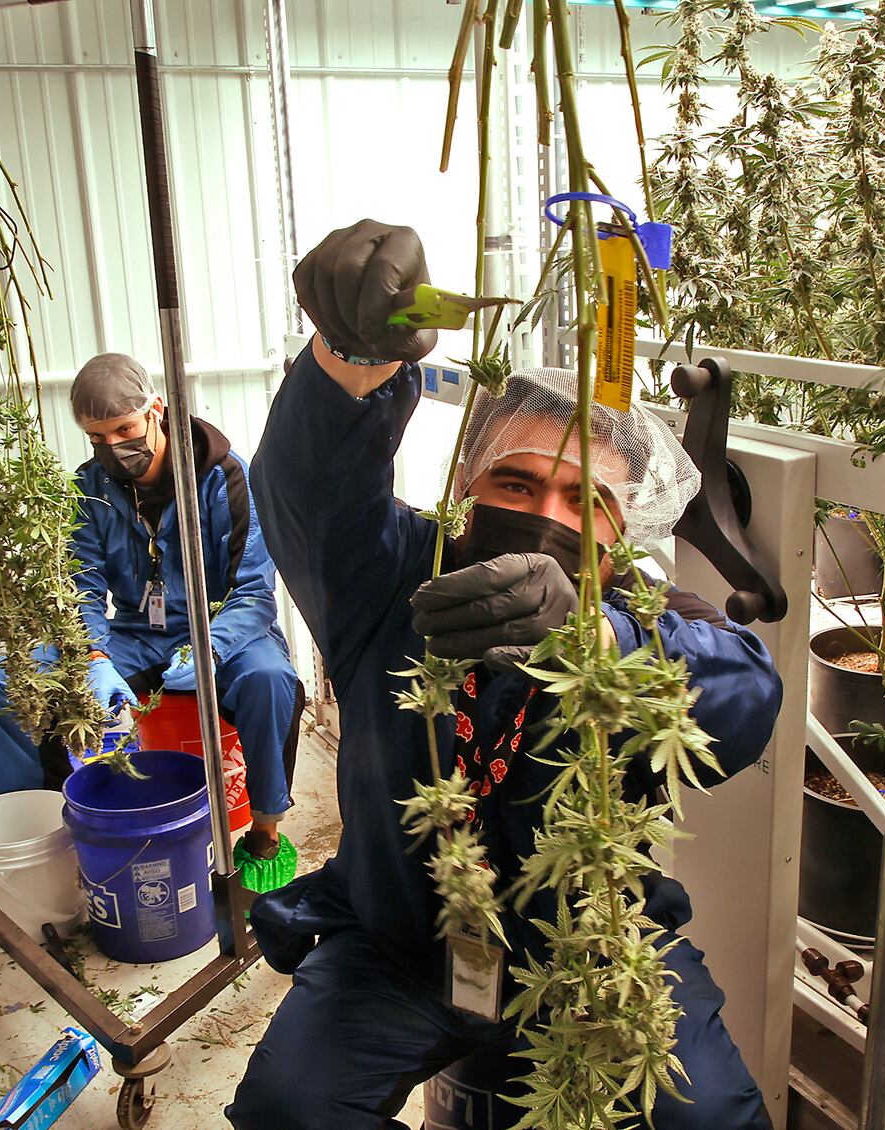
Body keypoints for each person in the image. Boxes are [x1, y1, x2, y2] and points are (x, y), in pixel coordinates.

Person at [227, 219, 782, 1129]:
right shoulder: (393, 574)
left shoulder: (645, 618)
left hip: (591, 950)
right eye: (517, 485)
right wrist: (349, 359)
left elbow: (747, 695)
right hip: (400, 938)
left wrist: (596, 641)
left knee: (710, 1115)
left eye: (582, 499)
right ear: (472, 482)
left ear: (625, 525)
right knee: (288, 1109)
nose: (544, 514)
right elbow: (312, 494)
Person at [0, 354, 304, 886]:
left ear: (157, 411)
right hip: (132, 634)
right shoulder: (89, 488)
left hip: (227, 630)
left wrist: (210, 647)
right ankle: (35, 822)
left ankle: (264, 828)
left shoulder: (226, 477)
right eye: (97, 437)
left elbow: (255, 593)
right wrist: (94, 654)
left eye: (124, 429)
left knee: (272, 681)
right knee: (0, 680)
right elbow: (80, 588)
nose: (113, 447)